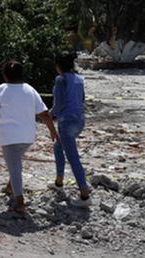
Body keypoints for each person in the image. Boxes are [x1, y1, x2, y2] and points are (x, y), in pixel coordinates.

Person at [0, 61, 58, 214]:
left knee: (15, 168)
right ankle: (9, 187)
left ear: (5, 75)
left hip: (9, 136)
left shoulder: (2, 89)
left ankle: (20, 201)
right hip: (27, 137)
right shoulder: (30, 90)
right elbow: (44, 113)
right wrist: (52, 131)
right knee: (15, 162)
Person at [49, 52, 92, 207]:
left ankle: (84, 195)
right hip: (79, 120)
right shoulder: (79, 79)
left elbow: (59, 104)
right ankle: (59, 182)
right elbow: (81, 99)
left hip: (66, 122)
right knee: (58, 147)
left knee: (73, 157)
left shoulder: (61, 80)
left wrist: (49, 114)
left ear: (59, 66)